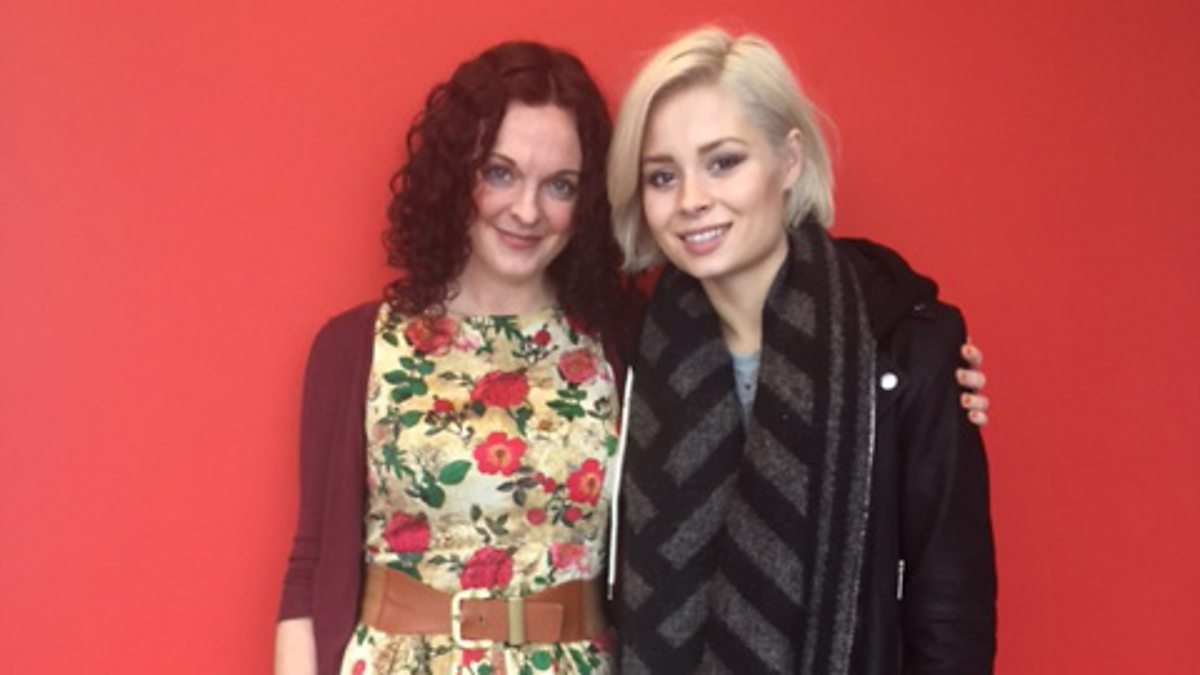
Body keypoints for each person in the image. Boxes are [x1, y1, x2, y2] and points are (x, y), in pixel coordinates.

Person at [275, 38, 992, 675]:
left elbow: (943, 601)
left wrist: (922, 378)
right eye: (499, 172)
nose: (526, 210)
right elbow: (311, 567)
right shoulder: (360, 346)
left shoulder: (627, 341)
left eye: (560, 185)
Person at [608, 28, 997, 675]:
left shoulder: (905, 350)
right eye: (662, 176)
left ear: (788, 161)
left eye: (723, 162)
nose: (691, 200)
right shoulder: (629, 356)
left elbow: (951, 609)